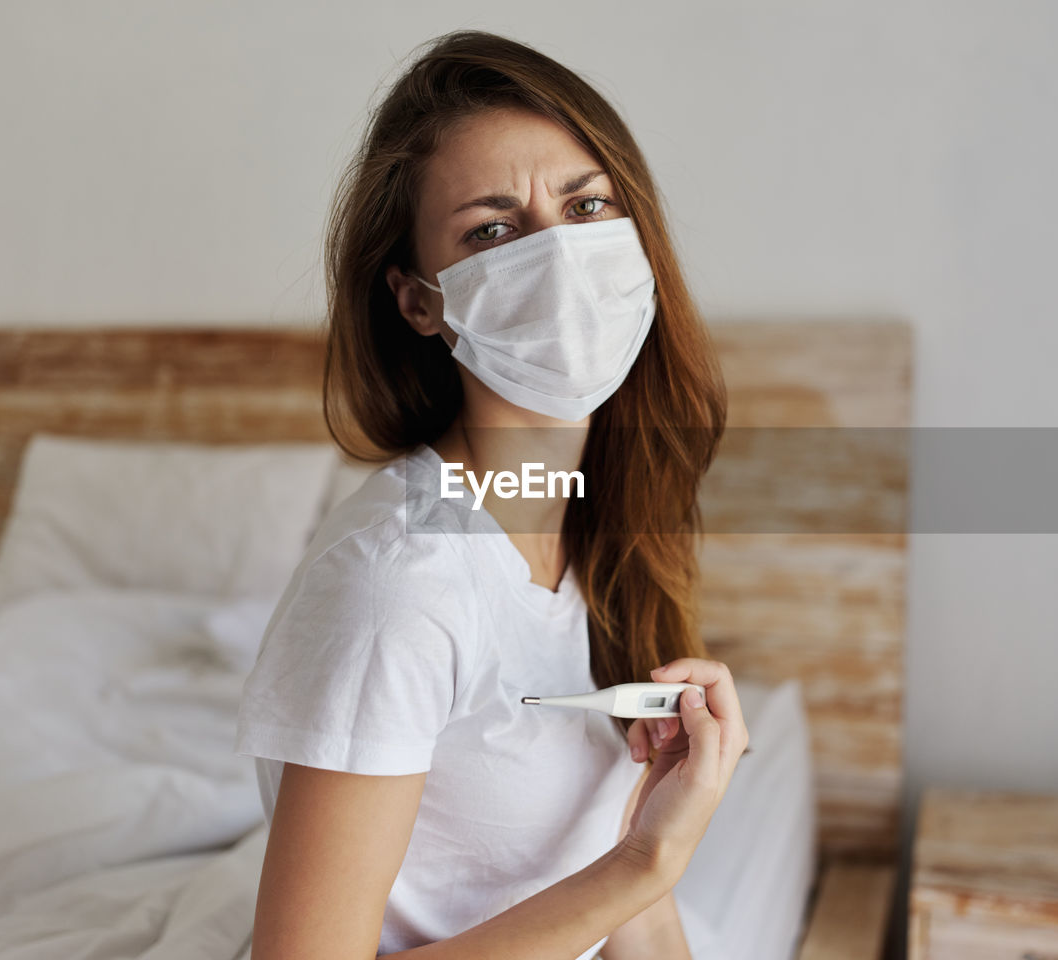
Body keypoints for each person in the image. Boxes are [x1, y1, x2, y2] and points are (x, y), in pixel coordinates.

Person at [233, 29, 748, 960]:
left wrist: (643, 874)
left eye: (588, 204)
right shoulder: (399, 584)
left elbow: (639, 921)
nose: (562, 256)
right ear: (421, 300)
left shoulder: (602, 523)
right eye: (494, 230)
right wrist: (645, 860)